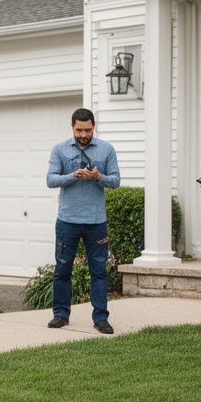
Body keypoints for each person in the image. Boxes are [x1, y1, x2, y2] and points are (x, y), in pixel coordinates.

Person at [45, 108, 121, 334]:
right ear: (72, 127)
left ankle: (100, 318)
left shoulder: (107, 149)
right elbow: (50, 180)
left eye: (87, 130)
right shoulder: (59, 149)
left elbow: (115, 181)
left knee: (99, 271)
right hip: (67, 220)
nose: (83, 134)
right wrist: (73, 176)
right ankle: (60, 315)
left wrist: (99, 178)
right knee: (62, 269)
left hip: (96, 221)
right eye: (79, 130)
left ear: (93, 127)